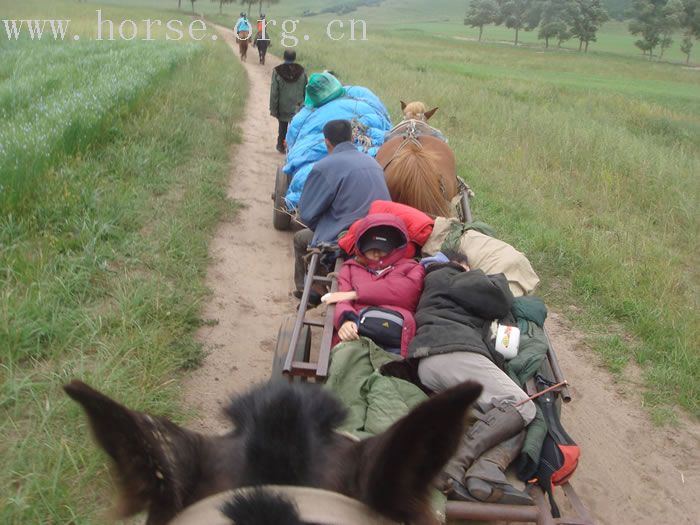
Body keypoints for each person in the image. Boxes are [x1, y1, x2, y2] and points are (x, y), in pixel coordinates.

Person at [408, 250, 536, 505]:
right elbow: (499, 299)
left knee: (503, 416)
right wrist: (491, 276)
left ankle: (487, 471)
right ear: (461, 264)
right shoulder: (450, 274)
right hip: (454, 352)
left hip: (433, 361)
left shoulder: (435, 289)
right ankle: (456, 463)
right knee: (521, 405)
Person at [293, 119, 390, 301]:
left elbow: (306, 214)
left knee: (300, 239)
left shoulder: (324, 167)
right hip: (381, 234)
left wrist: (324, 224)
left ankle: (310, 291)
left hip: (346, 240)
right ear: (352, 137)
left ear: (326, 142)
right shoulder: (374, 163)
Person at [321, 215, 424, 356]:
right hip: (359, 331)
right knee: (347, 364)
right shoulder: (350, 268)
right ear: (362, 247)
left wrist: (355, 294)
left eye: (383, 249)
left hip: (397, 338)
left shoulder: (412, 267)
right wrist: (345, 320)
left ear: (394, 247)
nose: (376, 254)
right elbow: (343, 301)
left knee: (393, 371)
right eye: (371, 249)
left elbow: (405, 294)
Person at [270, 50, 307, 153]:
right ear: (294, 58)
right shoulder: (302, 71)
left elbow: (274, 92)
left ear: (284, 57)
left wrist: (273, 108)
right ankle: (294, 148)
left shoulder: (277, 71)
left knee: (282, 127)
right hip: (298, 106)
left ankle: (281, 145)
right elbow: (306, 89)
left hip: (283, 106)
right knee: (296, 128)